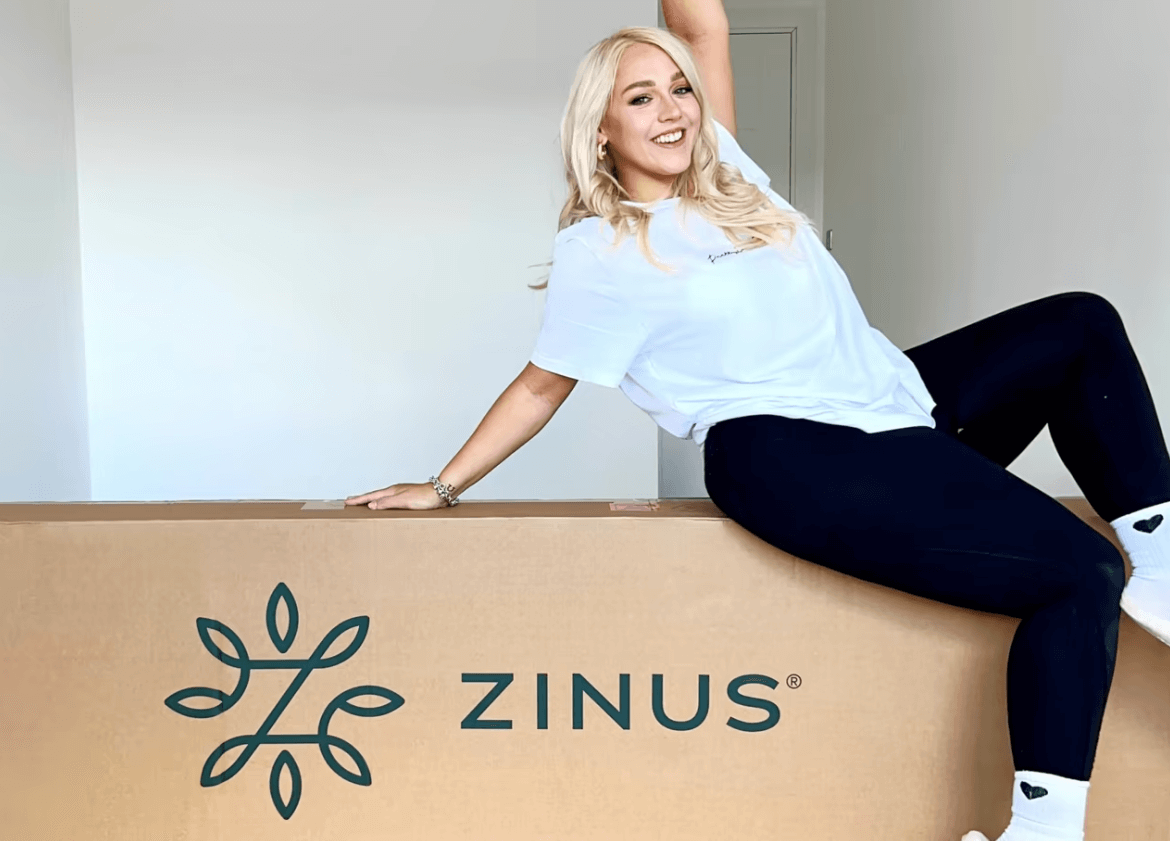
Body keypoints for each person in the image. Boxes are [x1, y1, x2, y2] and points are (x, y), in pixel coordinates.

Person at [347, 7, 1170, 841]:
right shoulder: (601, 251)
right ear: (600, 131)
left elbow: (701, 24)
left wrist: (690, 55)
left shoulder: (730, 176)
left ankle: (1162, 556)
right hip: (786, 451)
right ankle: (1045, 831)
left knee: (1079, 325)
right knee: (1079, 572)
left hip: (893, 406)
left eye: (678, 91)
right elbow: (541, 386)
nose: (672, 110)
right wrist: (443, 485)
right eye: (640, 99)